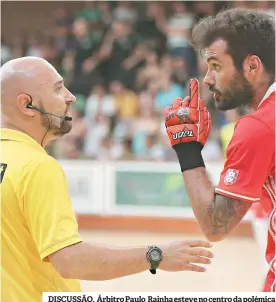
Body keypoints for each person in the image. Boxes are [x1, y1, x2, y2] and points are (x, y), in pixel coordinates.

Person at [0, 57, 214, 302]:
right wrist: (157, 255)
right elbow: (70, 261)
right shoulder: (36, 167)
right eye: (58, 89)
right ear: (27, 105)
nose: (71, 97)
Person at [164, 8, 275, 292]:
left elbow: (216, 226)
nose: (208, 80)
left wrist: (187, 149)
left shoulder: (260, 126)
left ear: (252, 66)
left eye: (215, 66)